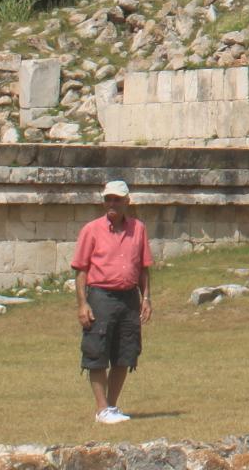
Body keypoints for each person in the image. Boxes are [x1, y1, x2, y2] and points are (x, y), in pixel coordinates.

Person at [73, 179, 153, 426]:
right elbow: (81, 270)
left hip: (129, 296)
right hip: (101, 295)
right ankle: (101, 408)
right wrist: (82, 303)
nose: (112, 203)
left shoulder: (138, 229)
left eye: (117, 199)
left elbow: (143, 267)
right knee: (97, 350)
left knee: (125, 352)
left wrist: (146, 297)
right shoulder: (91, 229)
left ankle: (111, 405)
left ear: (127, 202)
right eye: (108, 199)